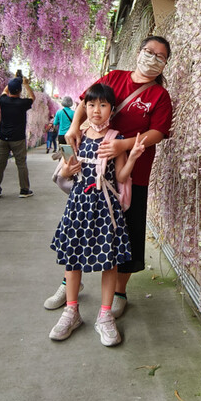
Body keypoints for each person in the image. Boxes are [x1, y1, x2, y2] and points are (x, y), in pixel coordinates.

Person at [44, 36, 173, 317]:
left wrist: (124, 145)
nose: (152, 58)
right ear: (139, 52)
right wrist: (74, 127)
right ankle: (70, 286)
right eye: (148, 52)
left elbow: (158, 132)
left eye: (160, 56)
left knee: (124, 235)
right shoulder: (115, 77)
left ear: (165, 64)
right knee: (79, 229)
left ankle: (118, 292)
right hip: (93, 169)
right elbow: (85, 101)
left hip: (130, 175)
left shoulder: (159, 96)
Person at [48, 83, 146, 346]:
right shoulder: (74, 138)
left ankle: (105, 316)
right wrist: (68, 171)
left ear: (111, 110)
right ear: (85, 107)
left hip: (105, 208)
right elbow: (65, 172)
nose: (96, 111)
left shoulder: (116, 139)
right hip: (78, 204)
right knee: (72, 258)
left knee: (109, 260)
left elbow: (123, 177)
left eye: (102, 105)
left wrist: (133, 155)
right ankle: (72, 311)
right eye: (91, 105)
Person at [0, 75, 35, 198]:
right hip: (18, 139)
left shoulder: (3, 101)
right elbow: (32, 97)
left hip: (2, 138)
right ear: (20, 91)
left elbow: (4, 91)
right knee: (21, 164)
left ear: (9, 89)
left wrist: (14, 80)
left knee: (0, 163)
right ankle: (24, 190)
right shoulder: (23, 103)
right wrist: (25, 83)